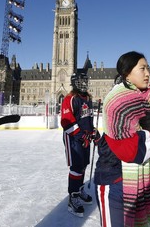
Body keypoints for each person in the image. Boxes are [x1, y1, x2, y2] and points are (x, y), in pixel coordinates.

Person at [94, 51, 150, 227]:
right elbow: (133, 152)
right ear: (127, 72)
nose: (148, 73)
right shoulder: (116, 104)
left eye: (148, 68)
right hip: (115, 181)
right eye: (142, 68)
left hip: (145, 185)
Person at [61, 72, 98, 217]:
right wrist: (80, 134)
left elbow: (87, 118)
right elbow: (66, 121)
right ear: (75, 82)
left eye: (86, 81)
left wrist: (92, 131)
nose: (85, 83)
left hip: (85, 138)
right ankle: (73, 196)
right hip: (73, 138)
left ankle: (80, 189)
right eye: (82, 81)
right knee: (76, 167)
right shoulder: (70, 99)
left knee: (83, 165)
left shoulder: (87, 98)